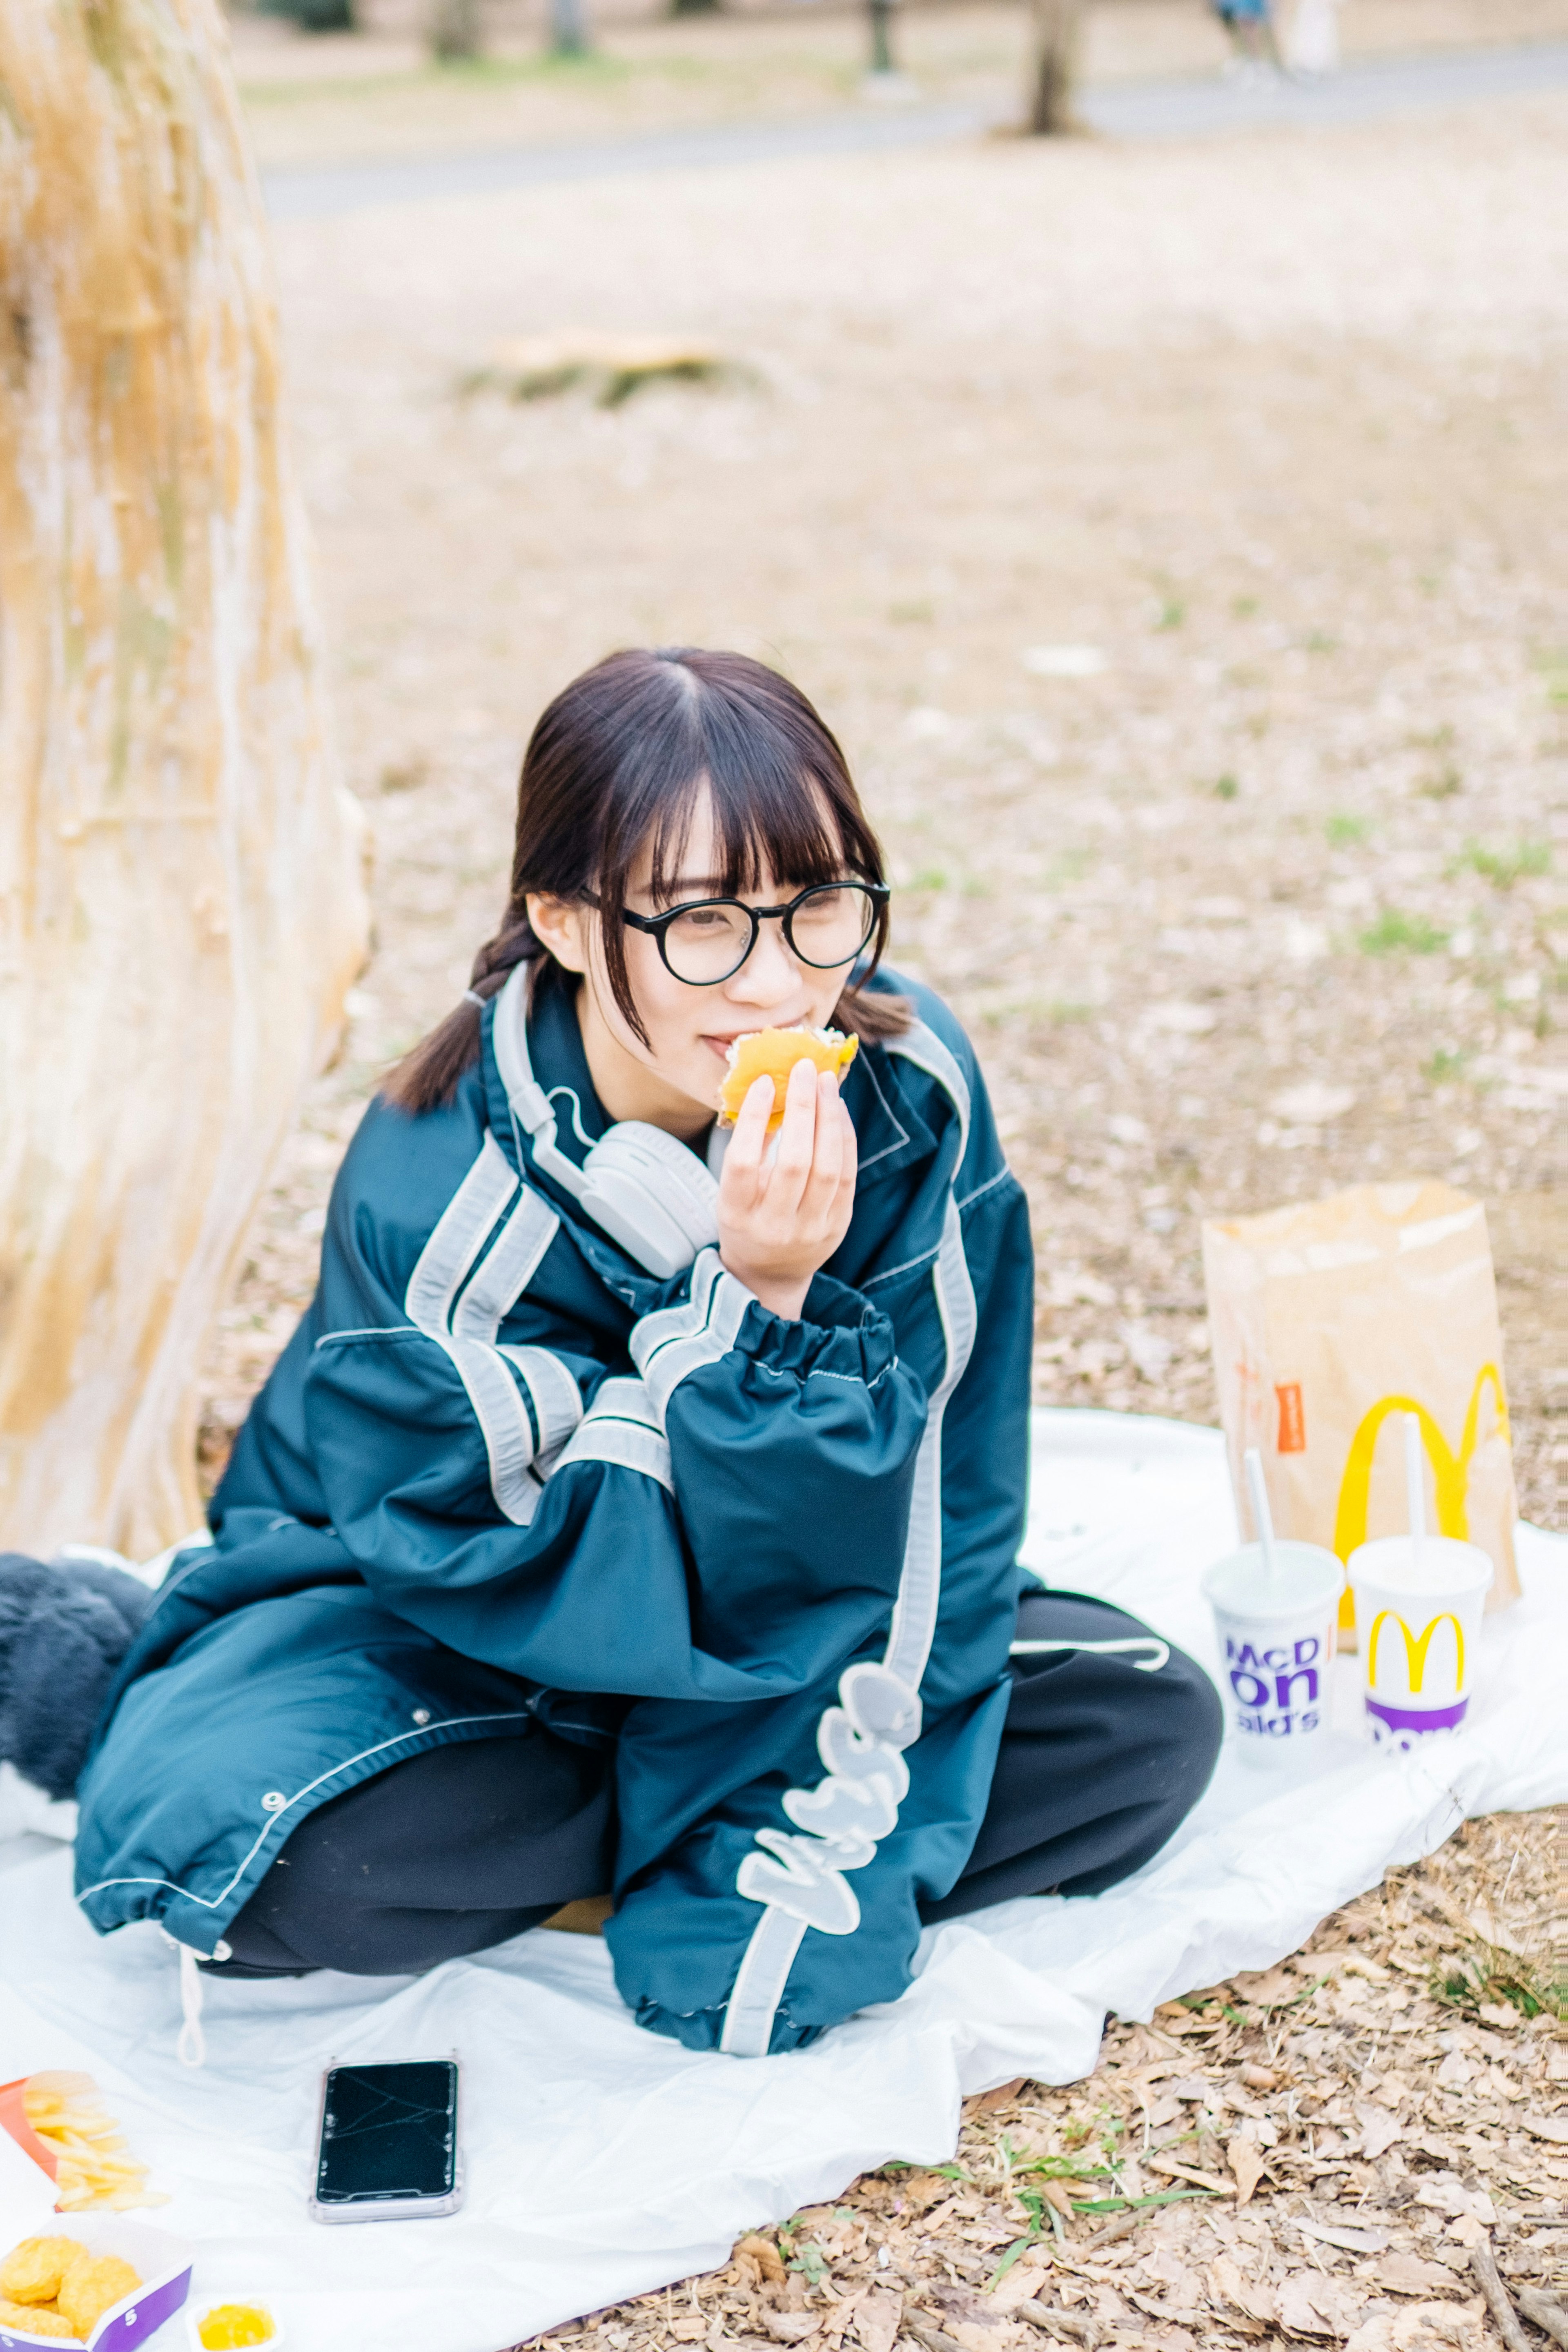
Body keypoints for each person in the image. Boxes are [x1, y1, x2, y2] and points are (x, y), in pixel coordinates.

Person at [3, 650, 1221, 2058]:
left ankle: (612, 1846)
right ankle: (98, 1661)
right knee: (289, 1861)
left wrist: (805, 1764)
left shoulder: (911, 1093)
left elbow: (948, 1481)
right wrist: (754, 1314)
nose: (777, 985)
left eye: (819, 905)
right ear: (567, 920)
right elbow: (516, 1567)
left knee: (1144, 1735)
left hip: (810, 1607)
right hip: (458, 1617)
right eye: (704, 921)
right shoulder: (436, 1193)